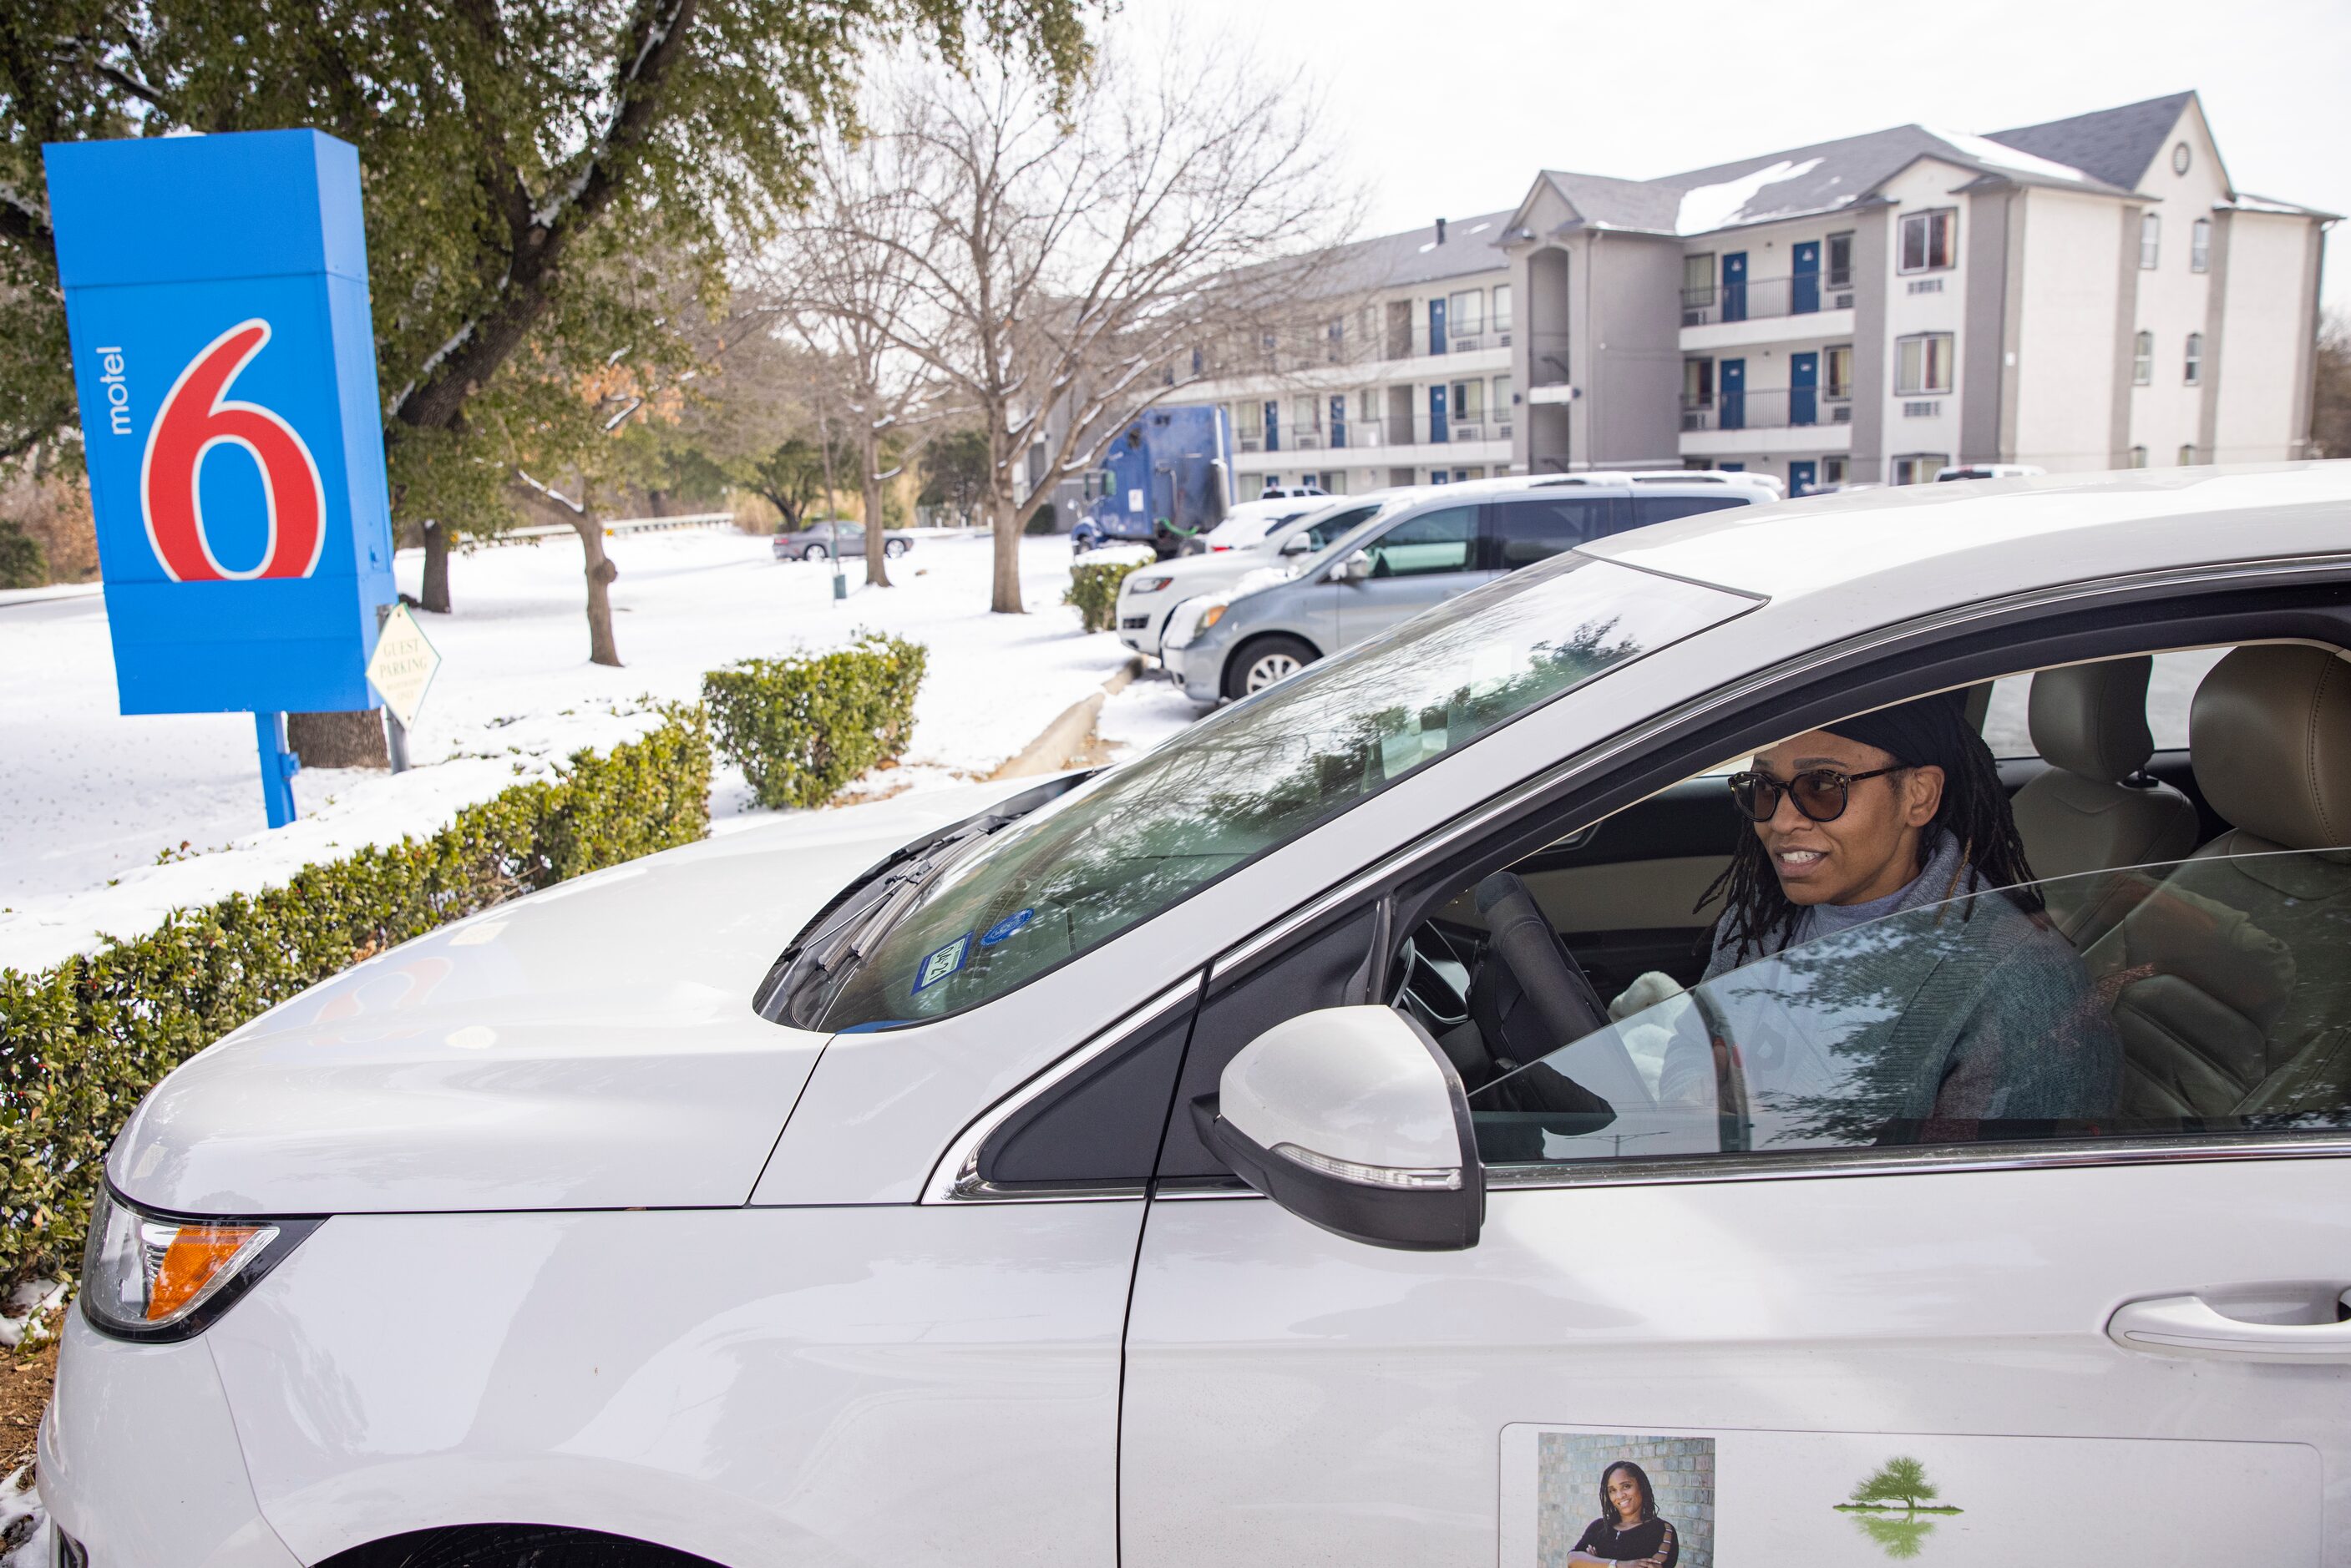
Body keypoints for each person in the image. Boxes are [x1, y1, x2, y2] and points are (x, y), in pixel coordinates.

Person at [1685, 690, 2121, 1128]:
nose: (1780, 822)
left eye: (1820, 786)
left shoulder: (2019, 988)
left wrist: (1776, 1136)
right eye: (1764, 789)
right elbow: (1693, 1042)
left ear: (1919, 795)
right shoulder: (1764, 915)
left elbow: (2011, 1189)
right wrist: (1694, 1100)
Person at [1566, 1459, 1679, 1566]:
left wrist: (1594, 1563)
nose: (1620, 1496)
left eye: (1626, 1486)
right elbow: (1572, 1560)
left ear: (1641, 1486)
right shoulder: (1599, 1527)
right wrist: (1620, 1565)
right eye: (1612, 1490)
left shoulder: (1661, 1529)